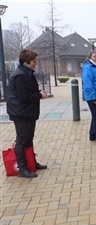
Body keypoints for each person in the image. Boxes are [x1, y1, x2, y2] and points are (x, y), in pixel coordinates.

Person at [6, 49, 48, 178]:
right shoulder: (20, 76)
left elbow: (28, 92)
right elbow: (24, 97)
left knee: (29, 139)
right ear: (27, 61)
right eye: (34, 61)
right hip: (21, 113)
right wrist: (39, 95)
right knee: (22, 140)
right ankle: (22, 168)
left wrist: (38, 92)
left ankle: (31, 162)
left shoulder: (27, 73)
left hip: (28, 112)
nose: (36, 63)